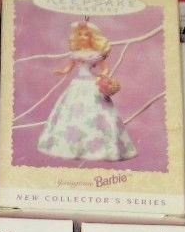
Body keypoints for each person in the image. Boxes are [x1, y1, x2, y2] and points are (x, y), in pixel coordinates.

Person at [36, 20, 136, 162]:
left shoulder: (96, 54)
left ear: (92, 37)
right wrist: (62, 71)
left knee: (98, 112)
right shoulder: (75, 53)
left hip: (92, 83)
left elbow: (105, 69)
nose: (83, 37)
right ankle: (73, 146)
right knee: (72, 113)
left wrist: (103, 77)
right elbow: (68, 68)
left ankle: (101, 147)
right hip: (77, 84)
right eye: (80, 34)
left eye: (86, 35)